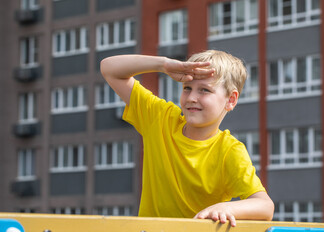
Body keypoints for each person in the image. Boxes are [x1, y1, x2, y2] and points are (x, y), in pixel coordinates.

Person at [100, 50, 274, 227]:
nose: (191, 98)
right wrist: (164, 64)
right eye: (187, 88)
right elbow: (109, 68)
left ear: (231, 99)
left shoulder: (229, 151)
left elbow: (265, 206)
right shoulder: (161, 119)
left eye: (204, 90)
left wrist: (227, 208)